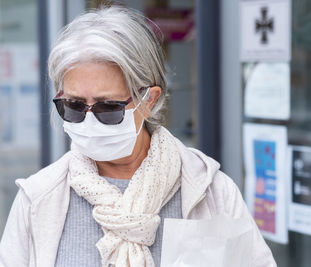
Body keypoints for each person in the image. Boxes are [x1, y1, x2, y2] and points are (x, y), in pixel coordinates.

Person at [0, 6, 276, 267]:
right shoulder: (38, 199)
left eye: (108, 107)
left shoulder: (209, 190)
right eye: (73, 106)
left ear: (149, 100)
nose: (88, 120)